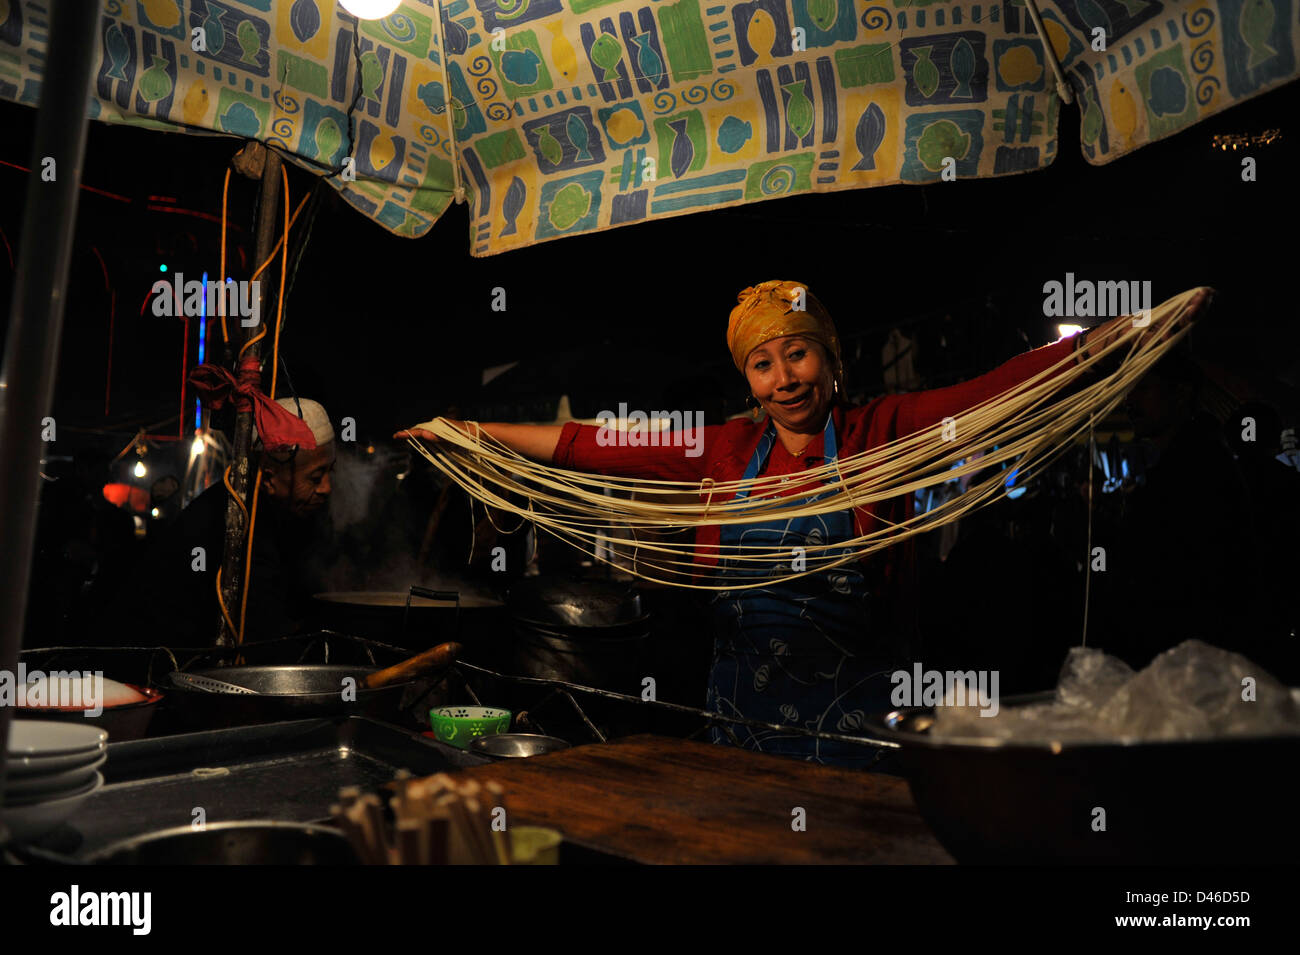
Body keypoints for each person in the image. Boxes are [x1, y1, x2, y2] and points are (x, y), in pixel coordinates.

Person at [399, 282, 1208, 766]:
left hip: (858, 716)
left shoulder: (882, 431)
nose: (785, 378)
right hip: (740, 711)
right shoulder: (722, 449)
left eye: (799, 354)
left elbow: (987, 394)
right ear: (746, 377)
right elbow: (595, 442)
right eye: (763, 362)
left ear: (829, 358)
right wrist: (469, 433)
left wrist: (1109, 340)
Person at [107, 397, 336, 646]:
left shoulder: (278, 513)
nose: (327, 488)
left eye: (329, 471)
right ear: (269, 479)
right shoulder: (234, 524)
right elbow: (262, 634)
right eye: (315, 478)